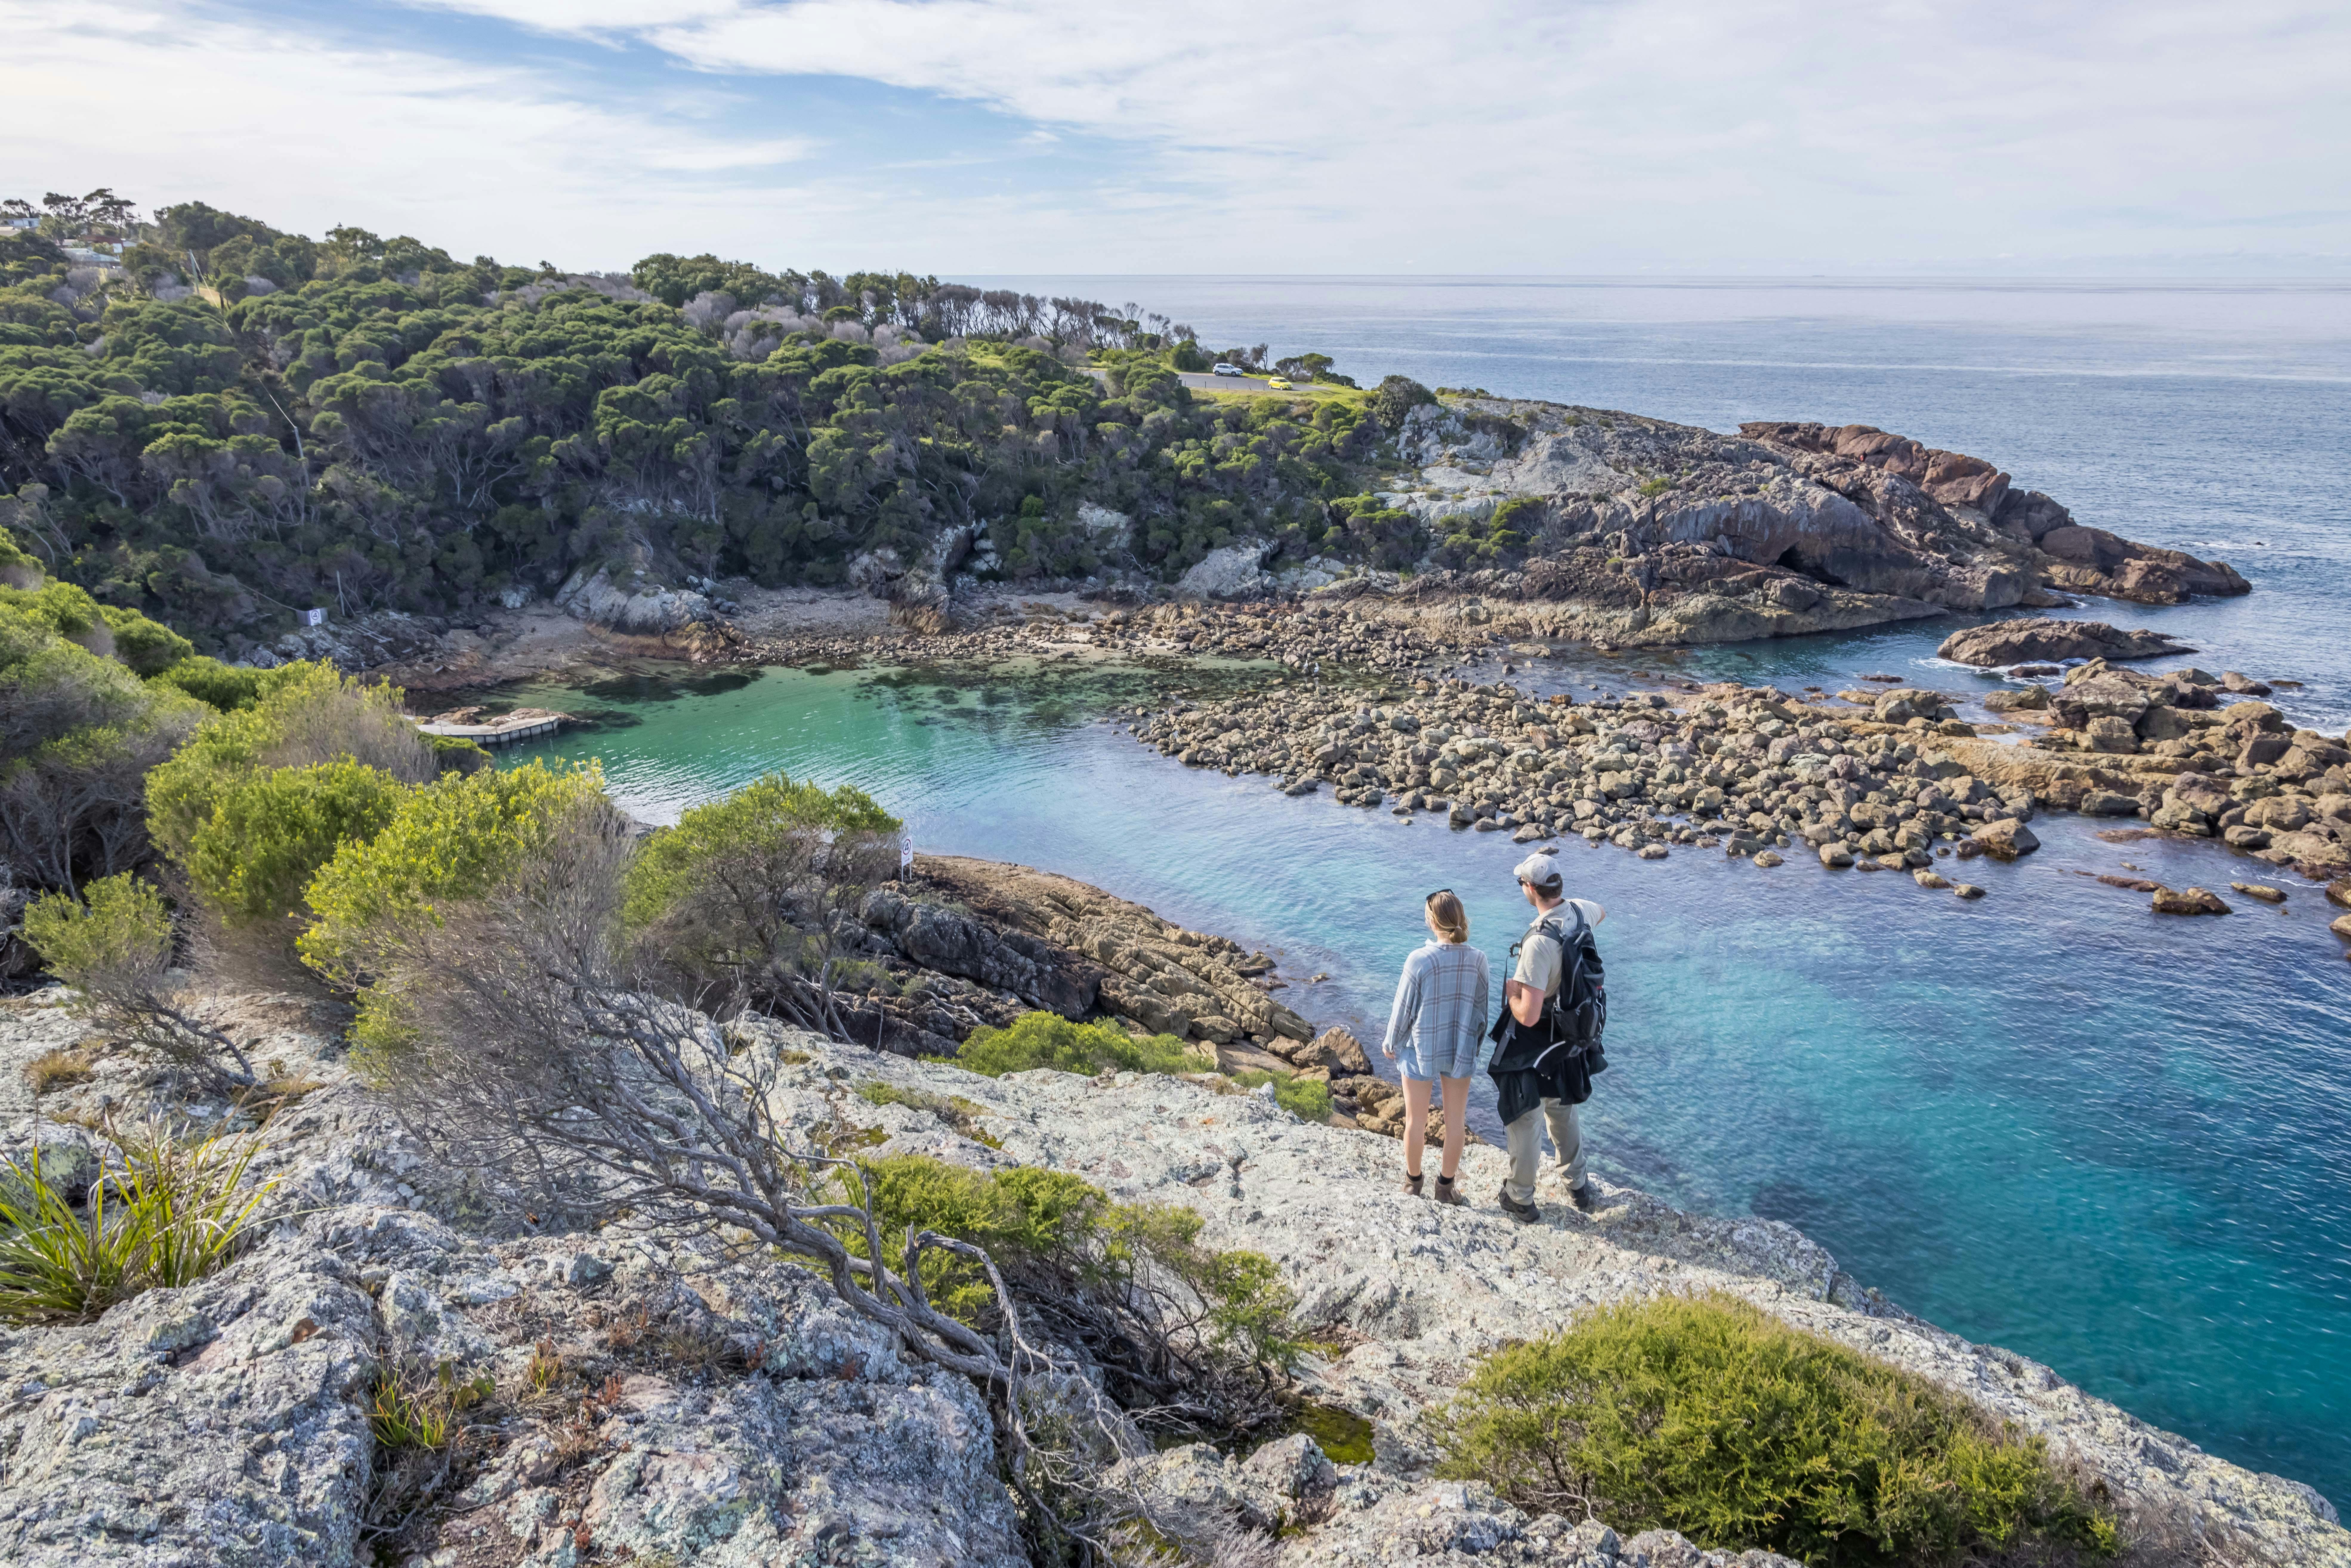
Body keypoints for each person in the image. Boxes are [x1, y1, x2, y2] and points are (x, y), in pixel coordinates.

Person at [1489, 851, 1605, 1222]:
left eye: (1522, 883)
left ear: (1530, 889)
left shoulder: (1538, 943)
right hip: (1573, 1037)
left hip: (1539, 1041)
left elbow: (1528, 1014)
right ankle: (1579, 1183)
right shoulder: (1580, 911)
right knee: (1561, 1106)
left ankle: (1520, 1197)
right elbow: (1602, 910)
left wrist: (1511, 993)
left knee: (1526, 1113)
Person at [1378, 889, 1490, 1205]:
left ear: (1431, 920)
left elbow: (1403, 1010)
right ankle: (1446, 1187)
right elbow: (1482, 1011)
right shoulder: (1479, 959)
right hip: (1460, 1048)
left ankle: (1414, 1184)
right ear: (1461, 918)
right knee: (1456, 1121)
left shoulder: (1420, 960)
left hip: (1420, 1050)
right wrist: (1474, 1046)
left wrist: (1391, 1042)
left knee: (1416, 1120)